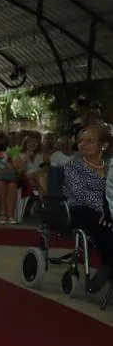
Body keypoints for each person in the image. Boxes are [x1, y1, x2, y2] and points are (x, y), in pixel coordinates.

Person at [63, 125, 113, 296]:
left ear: (103, 145)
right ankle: (109, 265)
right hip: (79, 210)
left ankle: (109, 267)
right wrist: (107, 210)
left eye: (90, 141)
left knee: (105, 219)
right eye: (81, 141)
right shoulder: (73, 166)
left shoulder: (110, 166)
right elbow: (81, 195)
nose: (83, 144)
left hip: (107, 210)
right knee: (102, 221)